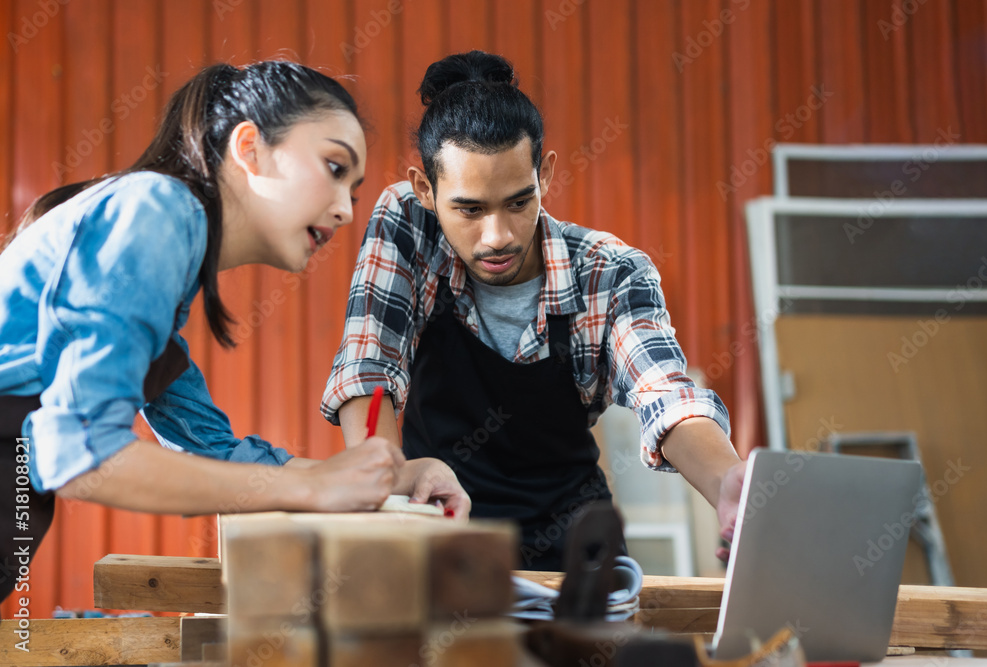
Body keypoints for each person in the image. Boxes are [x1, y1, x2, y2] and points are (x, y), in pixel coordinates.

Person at [0, 61, 468, 603]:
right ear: (249, 148)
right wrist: (312, 487)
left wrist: (394, 483)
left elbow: (214, 451)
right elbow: (79, 452)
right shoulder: (157, 208)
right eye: (334, 167)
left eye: (355, 192)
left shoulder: (154, 287)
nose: (344, 211)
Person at [322, 51, 746, 571]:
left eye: (519, 203)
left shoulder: (611, 272)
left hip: (577, 557)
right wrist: (387, 481)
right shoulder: (408, 225)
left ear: (544, 175)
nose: (497, 236)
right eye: (470, 209)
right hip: (445, 537)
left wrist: (727, 480)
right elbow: (370, 366)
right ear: (426, 191)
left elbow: (665, 395)